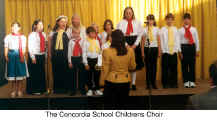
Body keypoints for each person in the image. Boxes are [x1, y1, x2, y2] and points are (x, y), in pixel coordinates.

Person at [101, 30, 136, 109]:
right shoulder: (130, 51)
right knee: (122, 105)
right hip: (126, 81)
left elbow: (105, 70)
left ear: (112, 39)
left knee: (111, 107)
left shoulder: (107, 51)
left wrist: (101, 84)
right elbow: (132, 67)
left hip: (111, 82)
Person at [116, 7, 144, 90]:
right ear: (124, 14)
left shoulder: (137, 22)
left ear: (132, 13)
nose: (128, 14)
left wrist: (135, 45)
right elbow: (120, 35)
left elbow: (140, 34)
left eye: (130, 12)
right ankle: (126, 82)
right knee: (125, 64)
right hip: (124, 43)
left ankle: (133, 83)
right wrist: (126, 45)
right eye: (127, 13)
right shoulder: (120, 23)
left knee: (134, 64)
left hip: (135, 42)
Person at [4, 21, 28, 97]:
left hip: (19, 55)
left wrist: (22, 56)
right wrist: (6, 56)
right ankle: (13, 90)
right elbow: (6, 47)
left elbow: (24, 48)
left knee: (20, 74)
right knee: (12, 74)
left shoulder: (23, 37)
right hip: (11, 56)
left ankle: (19, 90)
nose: (14, 28)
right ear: (11, 28)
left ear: (19, 28)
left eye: (15, 26)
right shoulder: (8, 37)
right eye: (12, 26)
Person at [66, 14, 87, 96]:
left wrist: (84, 58)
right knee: (72, 75)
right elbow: (69, 51)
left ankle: (82, 89)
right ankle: (73, 90)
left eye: (78, 19)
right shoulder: (69, 30)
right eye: (74, 19)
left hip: (81, 57)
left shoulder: (83, 29)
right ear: (72, 21)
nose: (76, 21)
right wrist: (69, 61)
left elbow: (84, 46)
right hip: (72, 58)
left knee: (82, 74)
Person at [48, 15, 69, 94]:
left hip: (65, 55)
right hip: (56, 55)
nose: (64, 23)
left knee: (65, 72)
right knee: (56, 72)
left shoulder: (68, 32)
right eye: (62, 21)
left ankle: (65, 88)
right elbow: (49, 43)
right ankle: (57, 89)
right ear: (58, 22)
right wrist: (49, 53)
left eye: (65, 22)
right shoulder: (52, 32)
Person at [140, 14, 161, 89]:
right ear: (147, 20)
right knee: (148, 67)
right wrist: (142, 52)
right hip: (147, 49)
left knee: (154, 67)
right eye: (149, 19)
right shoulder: (144, 29)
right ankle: (148, 84)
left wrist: (159, 51)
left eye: (152, 19)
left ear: (154, 21)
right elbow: (142, 41)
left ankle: (153, 83)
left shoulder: (157, 29)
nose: (150, 21)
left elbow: (158, 41)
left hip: (154, 49)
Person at [179, 13, 200, 88]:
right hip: (184, 47)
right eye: (185, 19)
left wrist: (197, 50)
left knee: (192, 65)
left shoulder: (194, 29)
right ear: (183, 20)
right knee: (184, 65)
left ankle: (192, 81)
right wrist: (180, 51)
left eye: (188, 19)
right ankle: (186, 81)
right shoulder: (180, 30)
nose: (186, 20)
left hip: (191, 47)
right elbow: (178, 41)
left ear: (190, 20)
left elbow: (197, 40)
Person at [160, 13, 181, 88]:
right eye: (168, 19)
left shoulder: (175, 29)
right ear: (166, 20)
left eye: (171, 19)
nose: (169, 21)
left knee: (174, 68)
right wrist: (162, 50)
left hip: (173, 51)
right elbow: (161, 40)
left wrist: (178, 50)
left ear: (173, 20)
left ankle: (174, 83)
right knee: (165, 69)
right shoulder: (162, 29)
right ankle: (165, 83)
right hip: (165, 51)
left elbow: (177, 40)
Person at [27, 19, 47, 95]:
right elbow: (30, 46)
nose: (42, 26)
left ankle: (42, 89)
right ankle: (34, 90)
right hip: (34, 56)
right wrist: (32, 57)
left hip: (41, 55)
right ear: (35, 26)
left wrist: (45, 55)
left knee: (41, 73)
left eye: (42, 25)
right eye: (40, 25)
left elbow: (45, 46)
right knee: (34, 73)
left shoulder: (44, 34)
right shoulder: (32, 34)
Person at [83, 26, 103, 96]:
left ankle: (97, 89)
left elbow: (100, 53)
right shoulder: (85, 42)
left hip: (97, 61)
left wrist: (99, 63)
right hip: (89, 61)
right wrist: (85, 63)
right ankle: (90, 89)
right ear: (88, 34)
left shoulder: (97, 41)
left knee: (97, 75)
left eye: (94, 33)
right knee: (89, 76)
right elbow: (84, 53)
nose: (93, 34)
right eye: (91, 33)